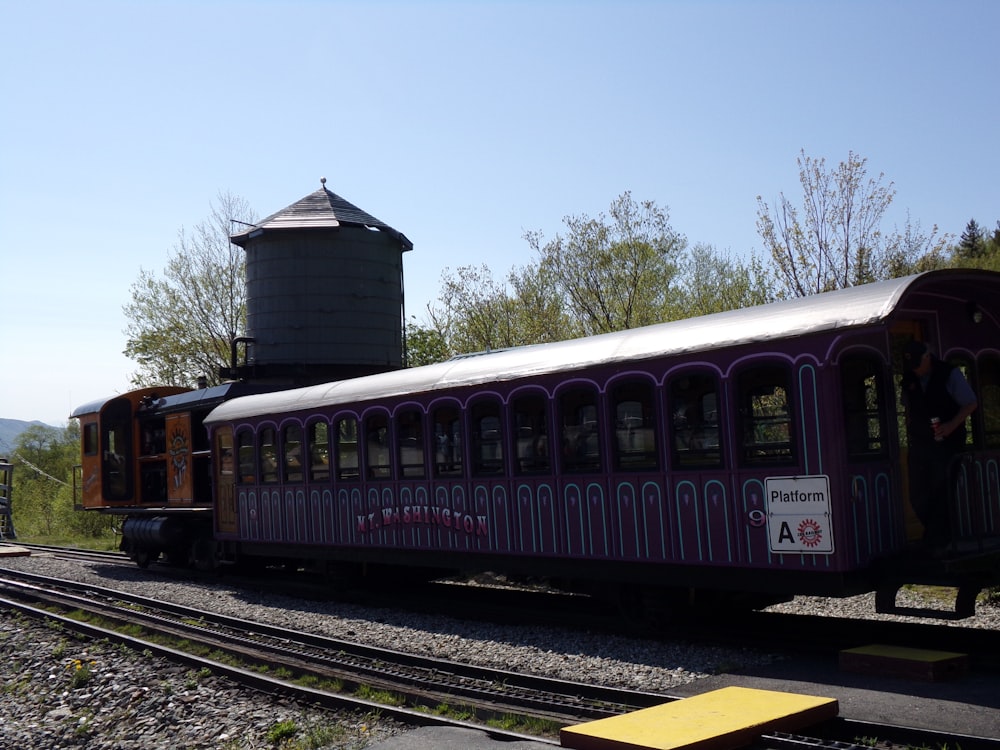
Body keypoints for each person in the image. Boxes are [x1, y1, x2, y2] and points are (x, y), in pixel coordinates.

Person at [900, 340, 978, 552]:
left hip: (947, 444)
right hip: (920, 443)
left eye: (919, 363)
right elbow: (907, 408)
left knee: (941, 491)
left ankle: (938, 543)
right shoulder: (909, 378)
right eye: (912, 365)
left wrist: (951, 425)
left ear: (928, 357)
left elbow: (971, 403)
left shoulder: (949, 374)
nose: (916, 369)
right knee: (916, 495)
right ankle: (936, 539)